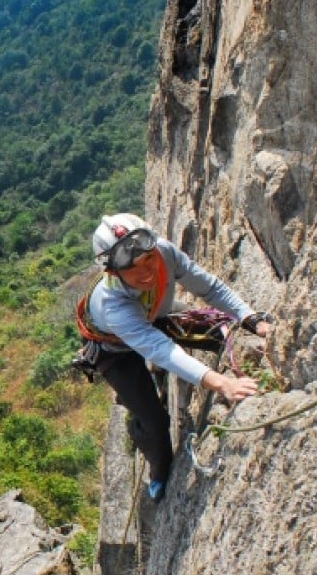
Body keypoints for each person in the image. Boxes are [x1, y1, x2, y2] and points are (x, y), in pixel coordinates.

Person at [76, 213, 272, 502]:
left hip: (154, 316)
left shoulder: (164, 252)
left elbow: (210, 288)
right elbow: (161, 350)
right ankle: (158, 469)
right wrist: (221, 384)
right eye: (134, 269)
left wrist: (250, 319)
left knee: (226, 330)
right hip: (114, 351)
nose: (148, 273)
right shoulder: (112, 304)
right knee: (155, 421)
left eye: (148, 260)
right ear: (113, 273)